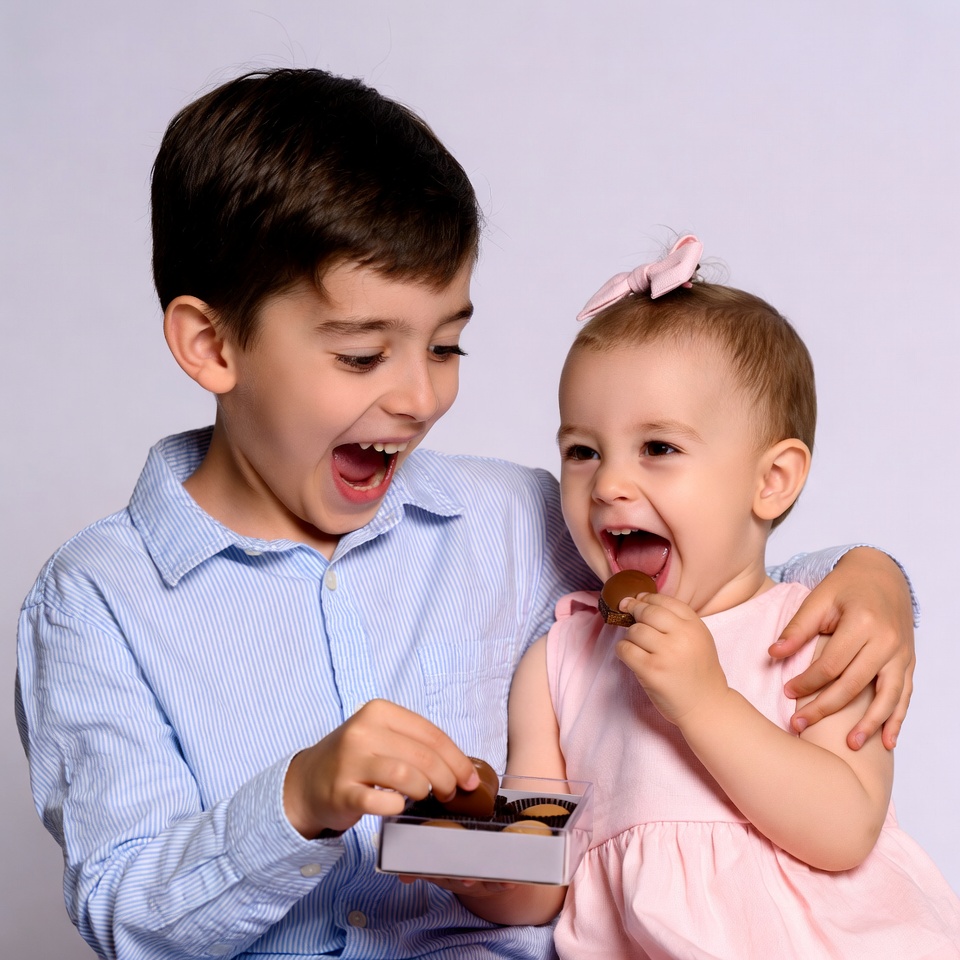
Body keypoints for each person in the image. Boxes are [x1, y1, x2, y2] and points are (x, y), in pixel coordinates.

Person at [15, 71, 915, 960]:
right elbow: (122, 911)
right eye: (365, 355)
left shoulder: (513, 520)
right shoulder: (94, 603)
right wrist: (299, 802)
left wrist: (871, 577)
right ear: (213, 344)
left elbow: (715, 568)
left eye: (446, 346)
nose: (417, 397)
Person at [457, 236, 960, 958]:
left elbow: (845, 828)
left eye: (657, 448)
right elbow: (540, 880)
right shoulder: (560, 660)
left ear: (772, 481)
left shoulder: (812, 630)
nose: (607, 485)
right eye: (582, 451)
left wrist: (704, 702)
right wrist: (466, 853)